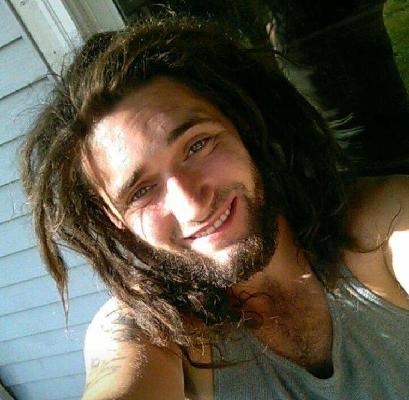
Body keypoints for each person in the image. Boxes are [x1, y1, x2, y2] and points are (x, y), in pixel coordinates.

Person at [21, 17, 409, 400]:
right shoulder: (150, 329)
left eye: (197, 145)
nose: (191, 204)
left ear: (243, 126)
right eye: (141, 191)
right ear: (115, 218)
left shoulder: (381, 224)